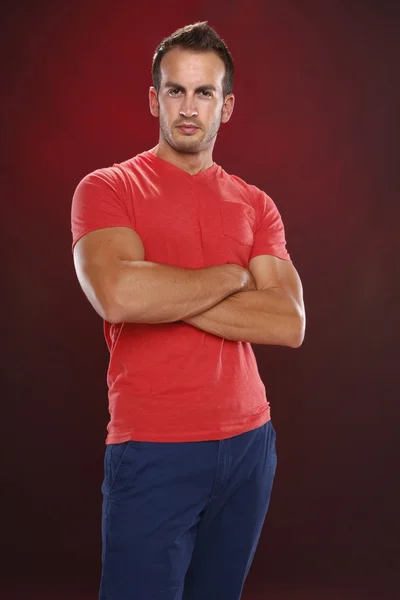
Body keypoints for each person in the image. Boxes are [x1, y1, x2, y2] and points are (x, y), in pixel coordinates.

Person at [71, 21, 305, 600]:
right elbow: (119, 295)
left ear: (227, 107)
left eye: (204, 93)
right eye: (175, 90)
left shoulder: (256, 204)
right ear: (154, 98)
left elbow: (288, 322)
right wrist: (232, 277)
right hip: (153, 447)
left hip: (251, 444)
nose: (188, 107)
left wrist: (166, 294)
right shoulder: (107, 188)